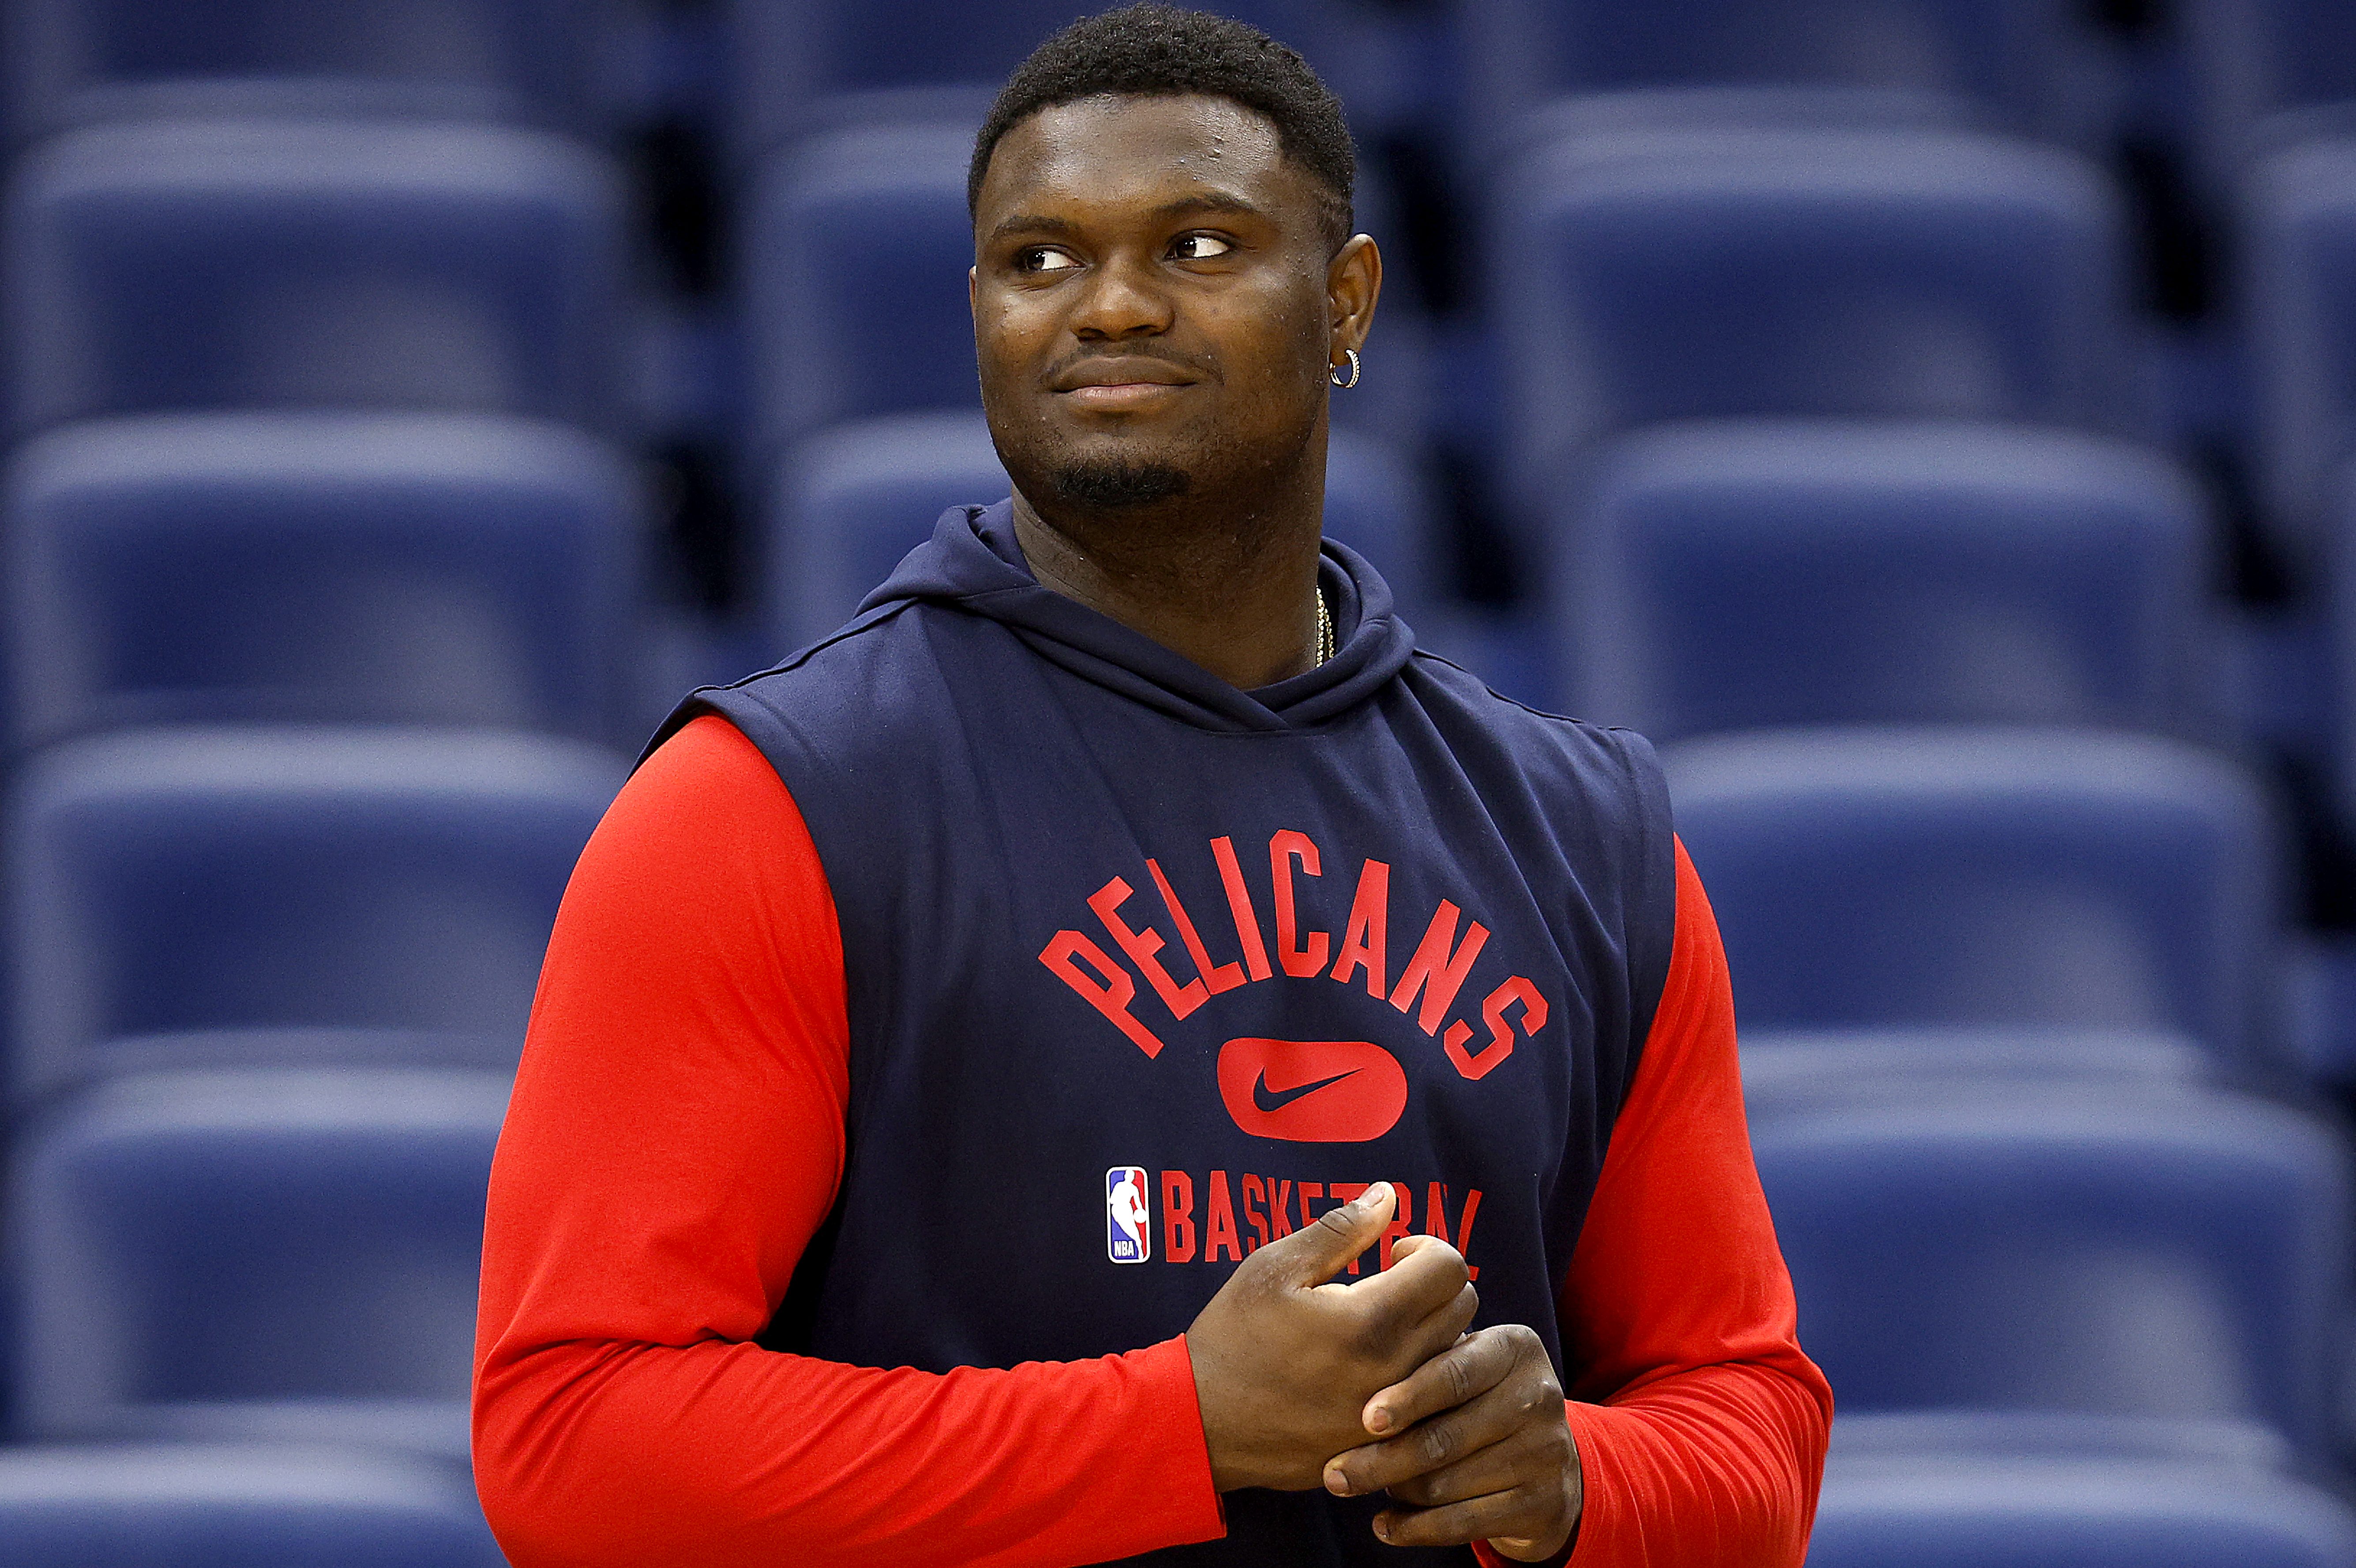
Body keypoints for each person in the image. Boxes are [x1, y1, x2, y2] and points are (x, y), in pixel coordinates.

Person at [470, 7, 1831, 1564]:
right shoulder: (768, 803)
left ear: (1345, 302)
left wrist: (1580, 1475)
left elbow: (1751, 1423)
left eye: (1197, 245)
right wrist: (1175, 1424)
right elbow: (571, 1444)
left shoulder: (1587, 837)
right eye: (1037, 260)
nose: (1107, 307)